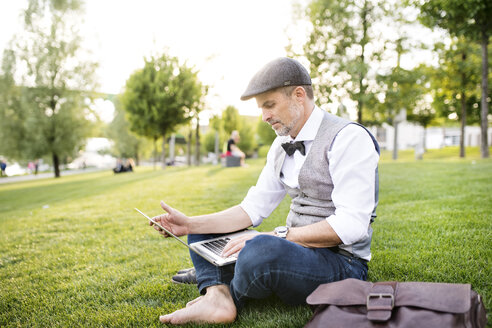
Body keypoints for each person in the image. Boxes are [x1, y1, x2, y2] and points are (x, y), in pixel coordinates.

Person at [150, 57, 380, 325]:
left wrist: (278, 236)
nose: (264, 117)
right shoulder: (280, 143)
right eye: (261, 108)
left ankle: (218, 283)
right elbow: (252, 209)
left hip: (342, 263)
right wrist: (189, 223)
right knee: (202, 231)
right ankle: (218, 295)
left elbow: (353, 226)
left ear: (299, 95)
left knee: (261, 251)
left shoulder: (349, 137)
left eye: (270, 105)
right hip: (294, 249)